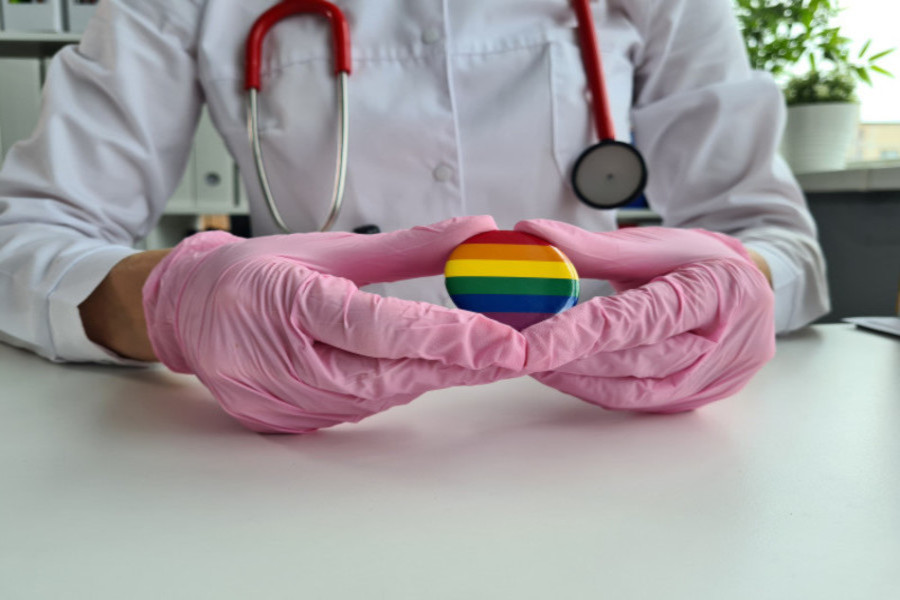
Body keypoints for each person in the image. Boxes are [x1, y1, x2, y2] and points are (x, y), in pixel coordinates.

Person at [0, 0, 829, 433]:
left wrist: (736, 286)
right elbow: (26, 239)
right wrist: (170, 304)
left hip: (584, 433)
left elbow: (778, 243)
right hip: (297, 455)